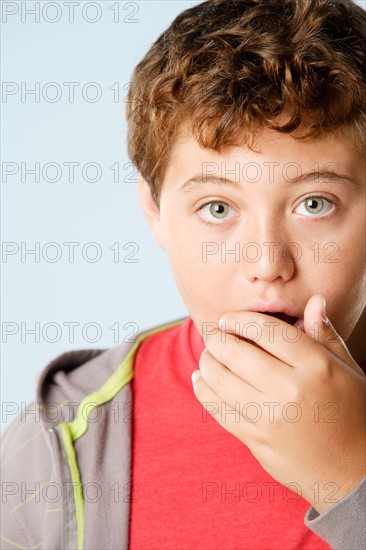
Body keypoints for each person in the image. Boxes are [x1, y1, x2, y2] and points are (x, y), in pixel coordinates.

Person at [1, 0, 365, 548]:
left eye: (315, 204)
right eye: (218, 208)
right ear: (155, 213)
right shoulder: (68, 441)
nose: (267, 265)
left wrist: (348, 479)